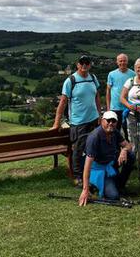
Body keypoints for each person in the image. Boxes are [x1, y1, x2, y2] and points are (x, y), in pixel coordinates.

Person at [52, 55, 101, 185]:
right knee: (78, 150)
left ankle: (90, 171)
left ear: (90, 65)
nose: (84, 65)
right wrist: (57, 123)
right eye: (82, 62)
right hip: (78, 122)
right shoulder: (71, 81)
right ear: (77, 65)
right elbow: (62, 103)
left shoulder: (93, 78)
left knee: (92, 147)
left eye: (87, 62)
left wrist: (100, 115)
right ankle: (78, 177)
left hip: (93, 120)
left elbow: (97, 97)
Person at [79, 111, 135, 205]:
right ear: (102, 121)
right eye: (108, 120)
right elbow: (87, 166)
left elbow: (128, 145)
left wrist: (124, 150)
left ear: (117, 122)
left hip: (109, 163)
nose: (111, 123)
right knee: (113, 196)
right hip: (96, 168)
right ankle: (94, 184)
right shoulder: (94, 137)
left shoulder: (115, 132)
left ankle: (120, 185)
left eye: (113, 121)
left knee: (131, 156)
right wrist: (85, 189)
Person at [106, 53, 135, 136]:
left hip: (128, 107)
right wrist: (108, 107)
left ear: (127, 62)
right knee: (114, 131)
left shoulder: (133, 74)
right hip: (115, 108)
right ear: (117, 62)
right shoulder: (111, 74)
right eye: (120, 61)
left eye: (124, 61)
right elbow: (108, 91)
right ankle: (116, 148)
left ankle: (130, 147)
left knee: (129, 131)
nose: (122, 63)